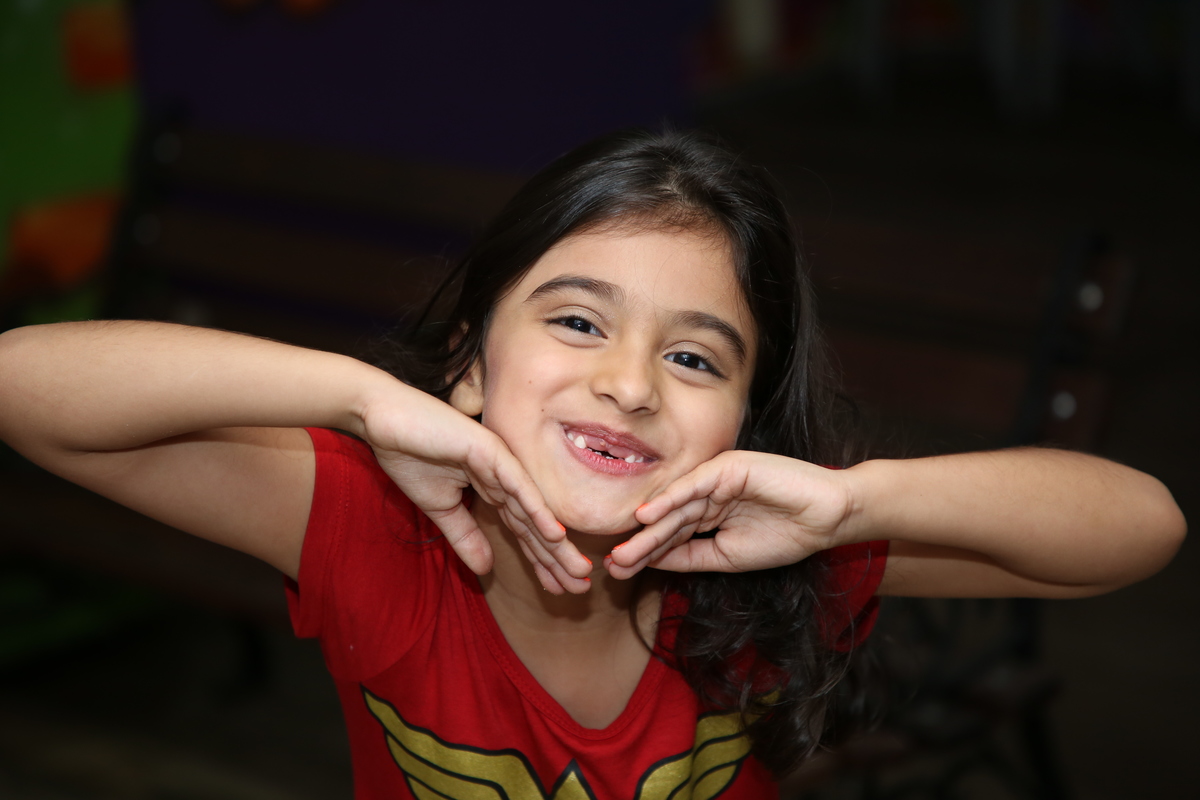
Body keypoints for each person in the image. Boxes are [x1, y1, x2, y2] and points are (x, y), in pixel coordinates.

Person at [0, 129, 1185, 799]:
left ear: (742, 423)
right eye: (577, 321)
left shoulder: (772, 556)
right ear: (471, 361)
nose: (630, 382)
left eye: (694, 356)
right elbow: (24, 382)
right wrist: (359, 398)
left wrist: (850, 502)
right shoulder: (377, 525)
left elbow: (1140, 528)